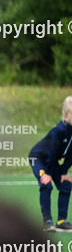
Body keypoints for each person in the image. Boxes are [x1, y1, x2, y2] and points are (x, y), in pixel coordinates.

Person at [28, 95, 72, 232]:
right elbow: (52, 154)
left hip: (51, 161)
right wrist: (47, 173)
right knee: (46, 184)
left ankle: (61, 221)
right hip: (38, 158)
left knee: (66, 185)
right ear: (65, 116)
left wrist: (63, 173)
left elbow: (71, 155)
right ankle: (48, 222)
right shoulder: (58, 131)